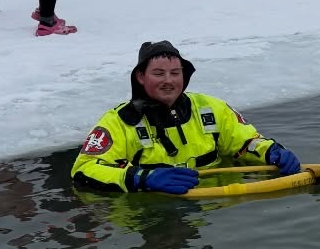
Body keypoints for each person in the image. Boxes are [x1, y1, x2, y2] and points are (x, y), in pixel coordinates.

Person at [71, 40, 302, 194]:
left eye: (175, 73)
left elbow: (245, 143)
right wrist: (140, 178)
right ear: (141, 77)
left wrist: (271, 151)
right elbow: (84, 170)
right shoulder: (119, 122)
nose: (168, 81)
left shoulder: (211, 108)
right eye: (158, 73)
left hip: (211, 209)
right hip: (150, 214)